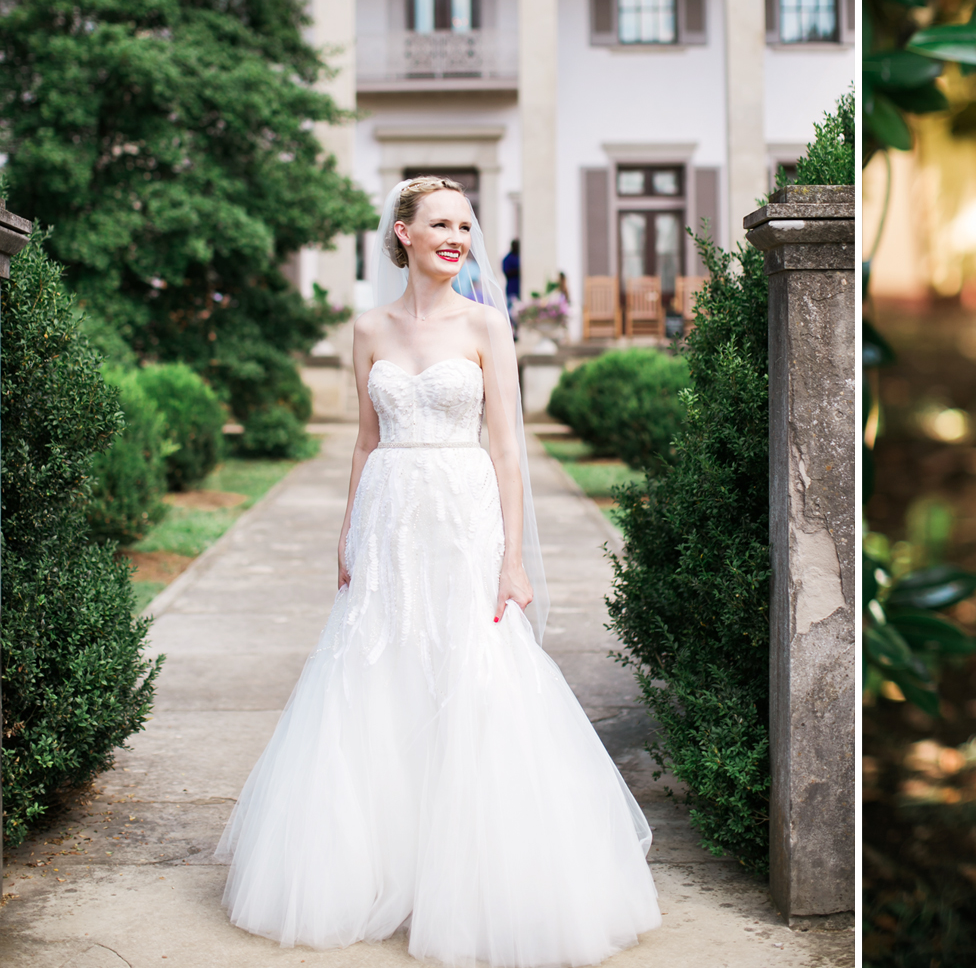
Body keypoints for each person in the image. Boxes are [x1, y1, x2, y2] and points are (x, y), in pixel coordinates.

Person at [216, 176, 661, 966]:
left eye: (465, 224)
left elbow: (507, 451)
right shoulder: (367, 328)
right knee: (375, 673)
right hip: (388, 519)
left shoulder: (489, 323)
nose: (457, 236)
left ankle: (477, 876)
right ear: (404, 234)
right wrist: (346, 529)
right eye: (442, 224)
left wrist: (514, 557)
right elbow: (362, 438)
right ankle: (383, 865)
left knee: (474, 670)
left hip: (464, 518)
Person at [503, 237, 521, 310]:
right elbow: (507, 272)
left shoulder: (520, 256)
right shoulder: (508, 259)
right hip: (512, 288)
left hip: (519, 288)